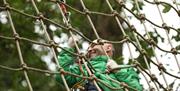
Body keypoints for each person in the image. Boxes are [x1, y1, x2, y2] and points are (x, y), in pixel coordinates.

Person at [55, 37, 142, 91]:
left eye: (93, 45)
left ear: (108, 47)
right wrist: (69, 48)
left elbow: (136, 89)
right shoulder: (84, 68)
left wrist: (118, 71)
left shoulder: (125, 69)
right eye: (88, 48)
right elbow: (61, 75)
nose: (89, 49)